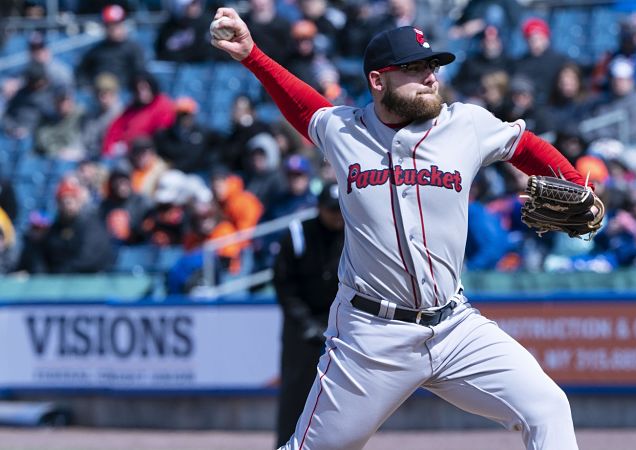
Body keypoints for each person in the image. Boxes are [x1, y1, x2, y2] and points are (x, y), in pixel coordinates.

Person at [212, 9, 597, 449]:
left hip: (454, 327)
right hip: (370, 337)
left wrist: (570, 179)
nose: (430, 77)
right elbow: (302, 104)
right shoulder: (343, 130)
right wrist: (252, 55)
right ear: (378, 81)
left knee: (547, 407)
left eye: (431, 66)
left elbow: (523, 145)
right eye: (414, 69)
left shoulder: (464, 124)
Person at [273, 183, 345, 446]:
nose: (336, 216)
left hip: (339, 323)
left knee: (342, 395)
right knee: (295, 392)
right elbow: (283, 283)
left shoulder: (355, 233)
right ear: (319, 209)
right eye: (330, 211)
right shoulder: (298, 235)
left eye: (339, 211)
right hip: (301, 327)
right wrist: (305, 322)